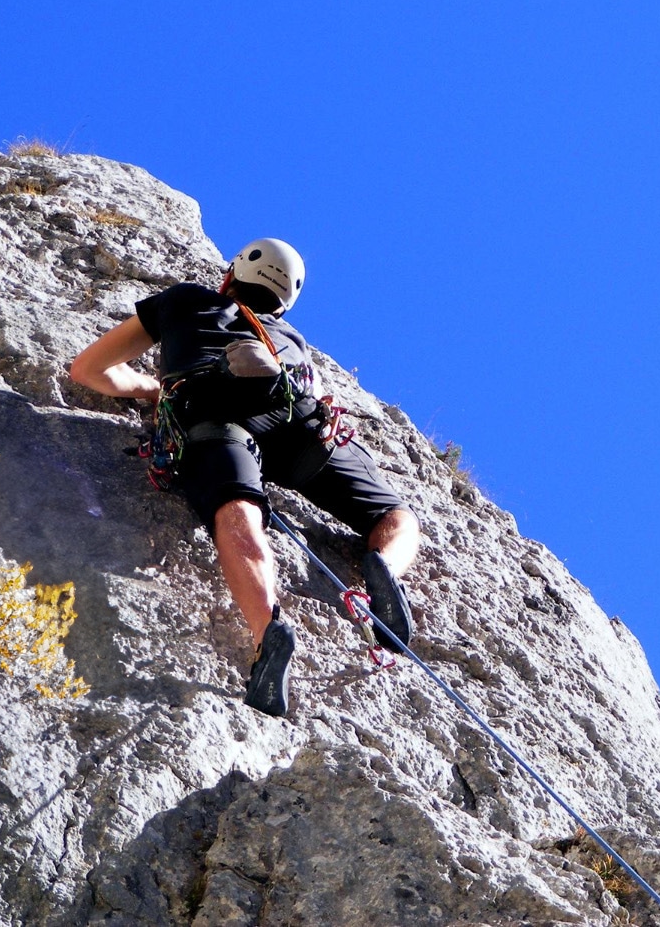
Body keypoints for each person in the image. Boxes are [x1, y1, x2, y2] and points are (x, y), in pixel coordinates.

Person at [69, 238, 420, 717]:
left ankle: (267, 630)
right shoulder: (292, 341)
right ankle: (385, 567)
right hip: (297, 419)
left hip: (213, 413)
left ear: (230, 275)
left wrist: (153, 390)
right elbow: (316, 398)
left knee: (238, 509)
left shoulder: (186, 300)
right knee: (394, 514)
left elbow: (88, 369)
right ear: (284, 301)